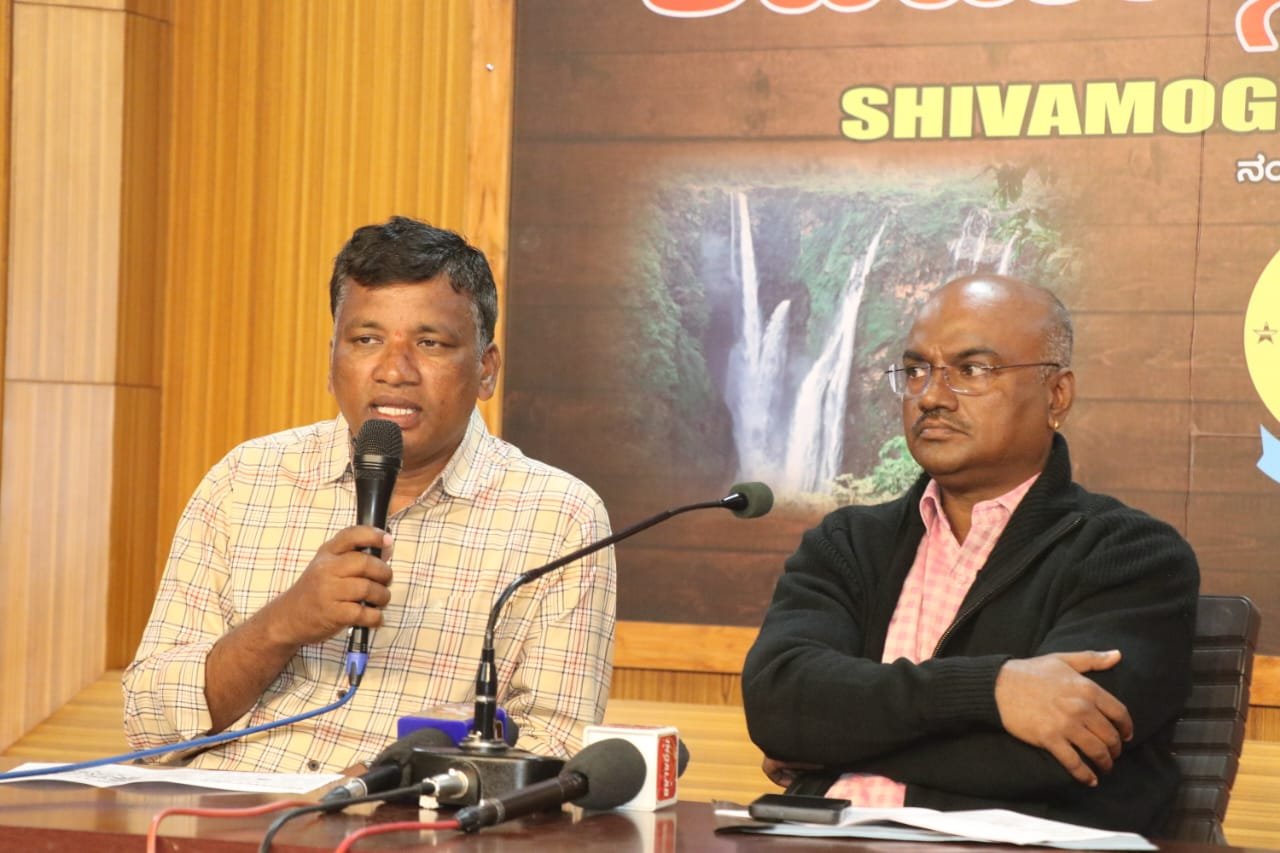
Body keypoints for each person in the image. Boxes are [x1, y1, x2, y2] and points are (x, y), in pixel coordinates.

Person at [123, 216, 616, 773]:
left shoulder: (559, 516)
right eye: (367, 340)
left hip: (404, 813)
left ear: (485, 370)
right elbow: (148, 721)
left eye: (430, 343)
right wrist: (282, 623)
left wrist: (399, 784)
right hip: (220, 804)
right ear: (332, 360)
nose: (394, 371)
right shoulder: (245, 478)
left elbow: (556, 742)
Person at [741, 275, 1199, 835]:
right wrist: (991, 690)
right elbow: (778, 704)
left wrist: (827, 742)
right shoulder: (848, 543)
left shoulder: (1129, 555)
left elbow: (1056, 754)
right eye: (916, 371)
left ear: (1056, 396)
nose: (932, 396)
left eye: (972, 370)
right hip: (816, 840)